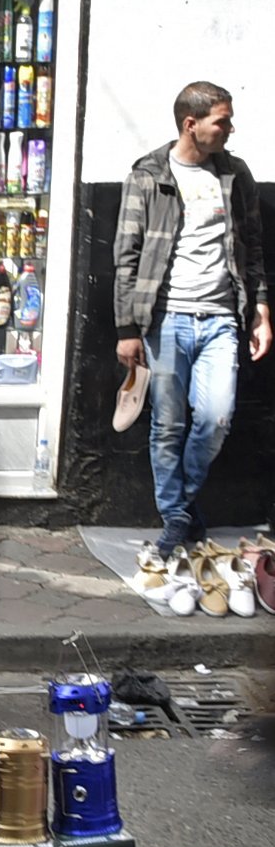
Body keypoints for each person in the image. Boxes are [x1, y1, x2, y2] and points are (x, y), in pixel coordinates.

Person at [113, 80, 271, 557]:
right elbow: (126, 254)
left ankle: (177, 511)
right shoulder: (149, 174)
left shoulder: (234, 174)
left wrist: (261, 310)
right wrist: (127, 330)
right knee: (167, 426)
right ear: (192, 124)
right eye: (222, 120)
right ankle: (179, 517)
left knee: (217, 417)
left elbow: (255, 249)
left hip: (222, 317)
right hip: (165, 320)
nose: (230, 128)